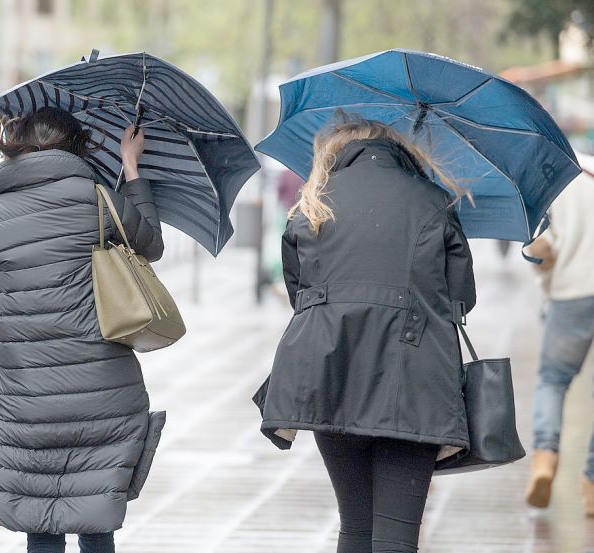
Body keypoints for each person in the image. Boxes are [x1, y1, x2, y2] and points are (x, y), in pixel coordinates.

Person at [253, 113, 476, 553]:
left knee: (354, 525)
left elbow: (299, 292)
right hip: (412, 380)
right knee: (397, 535)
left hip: (329, 373)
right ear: (399, 151)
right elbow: (461, 298)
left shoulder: (314, 204)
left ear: (335, 153)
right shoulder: (433, 201)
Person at [0, 107, 165, 553]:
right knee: (95, 518)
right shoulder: (97, 200)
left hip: (25, 396)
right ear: (78, 147)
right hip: (103, 393)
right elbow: (151, 244)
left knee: (41, 523)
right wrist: (130, 166)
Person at [524, 161, 594, 517]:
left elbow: (541, 249)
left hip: (571, 293)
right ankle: (592, 485)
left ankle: (545, 461)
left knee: (553, 380)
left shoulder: (555, 184)